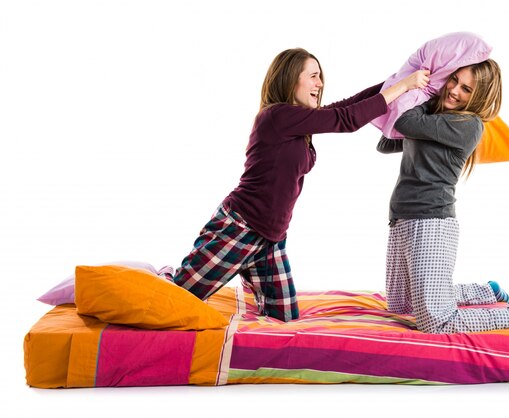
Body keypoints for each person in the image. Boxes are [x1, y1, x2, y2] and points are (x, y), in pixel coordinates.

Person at [172, 48, 430, 322]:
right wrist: (404, 86)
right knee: (179, 296)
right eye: (314, 76)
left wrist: (392, 83)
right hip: (240, 227)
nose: (320, 84)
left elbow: (346, 106)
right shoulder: (277, 117)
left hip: (271, 240)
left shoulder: (299, 121)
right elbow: (347, 119)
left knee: (284, 320)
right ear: (289, 78)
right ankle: (160, 276)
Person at [377, 59, 509, 348]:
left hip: (430, 222)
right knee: (400, 304)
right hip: (402, 218)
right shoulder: (433, 119)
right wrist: (420, 98)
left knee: (436, 322)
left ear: (478, 97)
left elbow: (404, 121)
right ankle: (485, 292)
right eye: (453, 80)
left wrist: (423, 92)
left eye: (466, 88)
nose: (454, 90)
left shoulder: (467, 125)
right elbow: (385, 142)